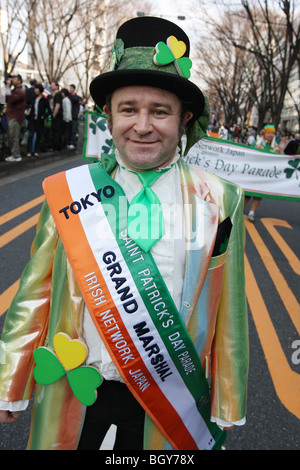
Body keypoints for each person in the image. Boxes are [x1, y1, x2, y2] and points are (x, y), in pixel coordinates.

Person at [0, 17, 248, 451]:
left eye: (160, 111)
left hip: (171, 396)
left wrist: (229, 400)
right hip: (76, 386)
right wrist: (9, 377)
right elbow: (34, 293)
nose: (143, 126)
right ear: (108, 115)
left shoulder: (221, 199)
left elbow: (229, 312)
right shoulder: (69, 192)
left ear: (184, 118)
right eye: (129, 109)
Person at [245, 124, 281, 222]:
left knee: (258, 195)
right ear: (264, 133)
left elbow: (280, 159)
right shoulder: (257, 143)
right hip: (253, 173)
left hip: (264, 176)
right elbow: (250, 153)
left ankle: (252, 213)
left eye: (272, 133)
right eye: (268, 133)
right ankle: (239, 210)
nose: (270, 135)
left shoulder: (276, 146)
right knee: (246, 194)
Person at [4, 74, 26, 162]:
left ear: (20, 81)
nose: (12, 80)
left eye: (14, 78)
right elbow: (3, 99)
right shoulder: (14, 90)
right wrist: (5, 87)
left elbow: (12, 99)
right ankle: (13, 154)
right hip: (9, 116)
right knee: (10, 136)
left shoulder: (21, 91)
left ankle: (16, 155)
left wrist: (8, 88)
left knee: (14, 136)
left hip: (15, 117)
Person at [26, 84, 51, 157]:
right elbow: (27, 105)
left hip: (40, 120)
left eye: (37, 89)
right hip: (32, 119)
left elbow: (49, 111)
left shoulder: (44, 100)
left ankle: (36, 150)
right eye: (35, 89)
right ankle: (29, 151)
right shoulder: (32, 99)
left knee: (38, 136)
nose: (35, 90)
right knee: (30, 135)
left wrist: (44, 116)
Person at [49, 81, 63, 151]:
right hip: (58, 116)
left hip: (57, 117)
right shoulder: (56, 94)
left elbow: (57, 105)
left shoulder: (57, 94)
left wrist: (53, 115)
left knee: (56, 132)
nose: (51, 86)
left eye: (52, 85)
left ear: (57, 86)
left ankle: (56, 147)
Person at [68, 84, 81, 149]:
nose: (70, 89)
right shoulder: (68, 96)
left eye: (71, 88)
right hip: (68, 115)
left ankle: (73, 143)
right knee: (69, 130)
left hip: (74, 116)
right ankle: (69, 142)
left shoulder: (76, 97)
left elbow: (75, 100)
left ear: (73, 89)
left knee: (73, 130)